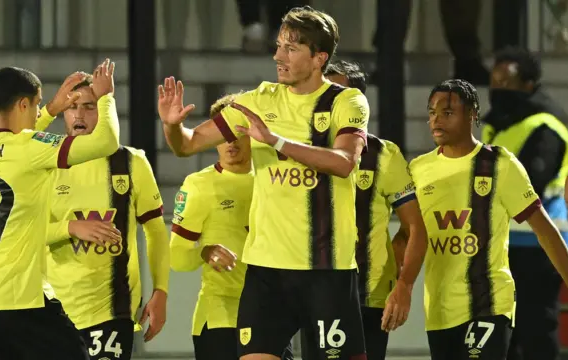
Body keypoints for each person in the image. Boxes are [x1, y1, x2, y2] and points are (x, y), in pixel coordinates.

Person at [157, 6, 390, 360]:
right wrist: (172, 126)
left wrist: (276, 141)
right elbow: (187, 145)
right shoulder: (255, 102)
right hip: (267, 272)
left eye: (291, 48)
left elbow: (344, 163)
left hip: (327, 271)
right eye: (279, 45)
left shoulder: (347, 100)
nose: (277, 56)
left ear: (318, 58)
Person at [0, 59, 121, 360]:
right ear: (22, 104)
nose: (38, 113)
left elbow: (18, 139)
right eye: (36, 105)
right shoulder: (31, 148)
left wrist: (52, 110)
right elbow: (106, 142)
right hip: (22, 304)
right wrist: (106, 96)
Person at [411, 78, 568, 360]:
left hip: (489, 303)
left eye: (447, 112)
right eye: (432, 112)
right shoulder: (419, 169)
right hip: (440, 310)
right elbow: (410, 234)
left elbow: (545, 231)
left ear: (472, 115)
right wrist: (400, 287)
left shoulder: (500, 165)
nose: (436, 120)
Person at [299, 59, 427, 360]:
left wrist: (404, 285)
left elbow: (416, 228)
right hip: (313, 290)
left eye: (337, 94)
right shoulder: (299, 151)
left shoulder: (384, 155)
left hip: (368, 295)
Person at [41, 73, 169, 360]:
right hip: (54, 309)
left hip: (112, 311)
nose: (80, 113)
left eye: (89, 105)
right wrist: (71, 227)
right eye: (73, 106)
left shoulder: (130, 162)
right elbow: (24, 231)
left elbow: (156, 231)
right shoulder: (46, 164)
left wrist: (161, 291)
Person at [170, 93, 294, 360]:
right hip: (222, 316)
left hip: (272, 313)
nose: (230, 142)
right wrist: (204, 252)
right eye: (221, 135)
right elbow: (177, 257)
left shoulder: (275, 179)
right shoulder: (199, 185)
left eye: (238, 132)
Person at [481, 47, 568, 360]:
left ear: (529, 85)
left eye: (506, 83)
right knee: (504, 331)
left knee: (536, 328)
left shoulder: (546, 127)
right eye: (494, 82)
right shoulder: (498, 124)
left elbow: (532, 181)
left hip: (539, 244)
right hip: (502, 243)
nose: (498, 90)